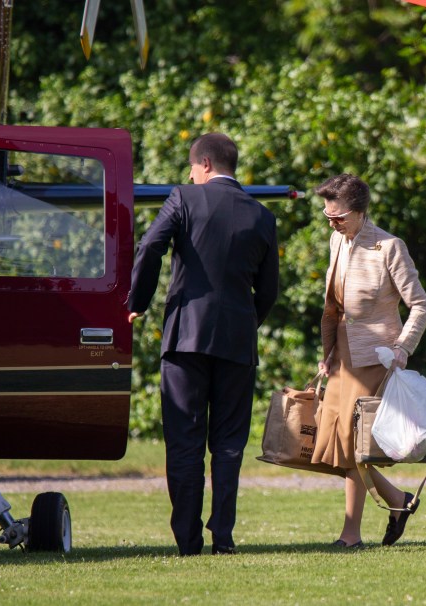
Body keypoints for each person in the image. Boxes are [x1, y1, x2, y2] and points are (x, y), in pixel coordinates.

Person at [127, 132, 279, 555]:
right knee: (228, 445)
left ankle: (187, 541)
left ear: (206, 165)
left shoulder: (183, 198)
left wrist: (138, 302)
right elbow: (268, 292)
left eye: (192, 167)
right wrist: (247, 324)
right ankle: (223, 538)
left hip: (184, 338)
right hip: (237, 342)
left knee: (185, 442)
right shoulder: (263, 216)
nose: (190, 175)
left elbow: (150, 246)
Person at [311, 173, 426, 548]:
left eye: (339, 217)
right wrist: (327, 353)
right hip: (343, 356)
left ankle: (351, 535)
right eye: (328, 217)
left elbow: (421, 306)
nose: (333, 224)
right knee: (334, 441)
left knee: (351, 441)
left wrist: (402, 348)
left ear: (361, 212)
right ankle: (398, 501)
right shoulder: (337, 240)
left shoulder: (390, 247)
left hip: (376, 357)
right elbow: (333, 305)